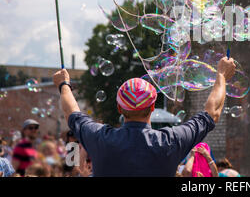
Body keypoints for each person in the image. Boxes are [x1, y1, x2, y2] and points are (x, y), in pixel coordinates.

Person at [52, 56, 236, 177]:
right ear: (153, 107)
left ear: (119, 108)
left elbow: (72, 112)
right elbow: (212, 113)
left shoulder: (101, 137)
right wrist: (221, 75)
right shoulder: (171, 140)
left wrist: (63, 84)